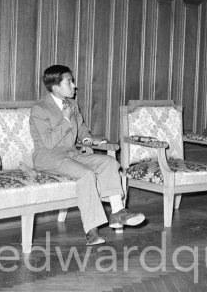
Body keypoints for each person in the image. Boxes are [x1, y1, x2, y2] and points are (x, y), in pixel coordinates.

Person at [30, 65, 145, 245]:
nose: (74, 85)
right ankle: (91, 231)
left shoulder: (72, 104)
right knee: (86, 174)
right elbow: (49, 142)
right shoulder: (40, 108)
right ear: (56, 86)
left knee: (108, 162)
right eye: (69, 82)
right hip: (48, 157)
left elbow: (82, 129)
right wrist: (66, 119)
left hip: (71, 154)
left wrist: (87, 142)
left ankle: (117, 213)